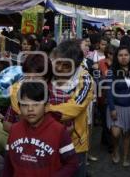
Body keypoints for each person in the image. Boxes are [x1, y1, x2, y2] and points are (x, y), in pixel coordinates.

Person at [3, 82, 78, 177]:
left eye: (36, 104)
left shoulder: (59, 131)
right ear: (19, 107)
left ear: (46, 106)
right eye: (25, 105)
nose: (30, 109)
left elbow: (72, 164)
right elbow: (8, 164)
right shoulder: (14, 129)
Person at [46, 40, 94, 177]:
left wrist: (45, 111)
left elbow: (75, 106)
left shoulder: (85, 79)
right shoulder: (46, 71)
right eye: (57, 62)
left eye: (66, 65)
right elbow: (19, 88)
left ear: (76, 66)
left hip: (75, 143)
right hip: (47, 139)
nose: (59, 68)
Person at [106, 46, 130, 167]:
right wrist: (112, 108)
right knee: (115, 133)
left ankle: (125, 156)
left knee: (127, 134)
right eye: (120, 55)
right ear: (117, 57)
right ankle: (115, 149)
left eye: (126, 55)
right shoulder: (112, 70)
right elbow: (109, 91)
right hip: (116, 107)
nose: (123, 57)